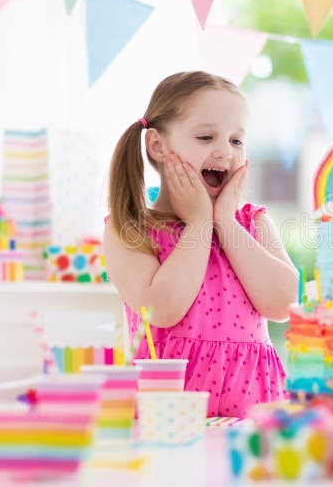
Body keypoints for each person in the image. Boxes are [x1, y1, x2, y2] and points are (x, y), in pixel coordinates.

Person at [103, 71, 297, 417]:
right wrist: (199, 224)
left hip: (251, 410)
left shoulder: (252, 222)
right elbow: (161, 309)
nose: (224, 151)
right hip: (167, 415)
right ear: (158, 146)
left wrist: (224, 221)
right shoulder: (131, 228)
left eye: (237, 141)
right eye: (206, 137)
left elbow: (283, 303)